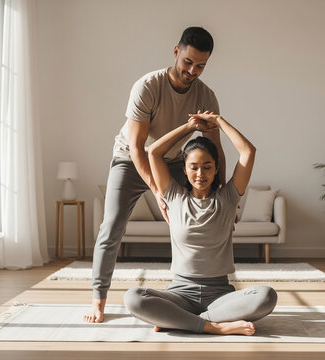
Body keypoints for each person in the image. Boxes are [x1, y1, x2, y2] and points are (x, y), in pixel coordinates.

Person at [84, 27, 226, 323]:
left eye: (200, 66)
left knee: (189, 219)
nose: (192, 71)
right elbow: (138, 148)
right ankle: (98, 300)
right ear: (176, 51)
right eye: (188, 62)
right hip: (129, 158)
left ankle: (185, 292)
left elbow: (215, 149)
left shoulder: (206, 96)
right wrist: (159, 193)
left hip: (174, 160)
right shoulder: (148, 86)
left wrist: (223, 196)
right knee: (111, 227)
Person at [123, 112, 278, 335]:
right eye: (193, 167)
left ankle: (181, 321)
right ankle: (214, 327)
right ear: (185, 169)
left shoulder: (228, 197)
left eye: (207, 167)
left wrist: (219, 122)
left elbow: (248, 151)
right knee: (133, 298)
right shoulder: (174, 197)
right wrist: (189, 127)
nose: (200, 173)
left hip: (220, 296)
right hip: (179, 294)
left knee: (266, 296)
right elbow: (154, 152)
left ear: (216, 169)